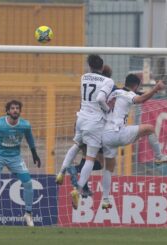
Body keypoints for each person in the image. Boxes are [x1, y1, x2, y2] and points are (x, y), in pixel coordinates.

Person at [101, 74, 167, 209]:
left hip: (105, 136)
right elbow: (140, 99)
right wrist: (156, 88)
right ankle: (159, 157)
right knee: (150, 129)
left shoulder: (115, 92)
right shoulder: (127, 94)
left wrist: (153, 91)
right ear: (136, 85)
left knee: (109, 168)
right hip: (118, 133)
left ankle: (105, 199)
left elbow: (139, 94)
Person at [55, 55, 114, 210]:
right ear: (102, 67)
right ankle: (78, 189)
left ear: (89, 66)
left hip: (81, 118)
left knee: (76, 145)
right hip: (95, 123)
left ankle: (61, 171)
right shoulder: (108, 82)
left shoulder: (84, 77)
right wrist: (108, 110)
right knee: (91, 159)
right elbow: (101, 99)